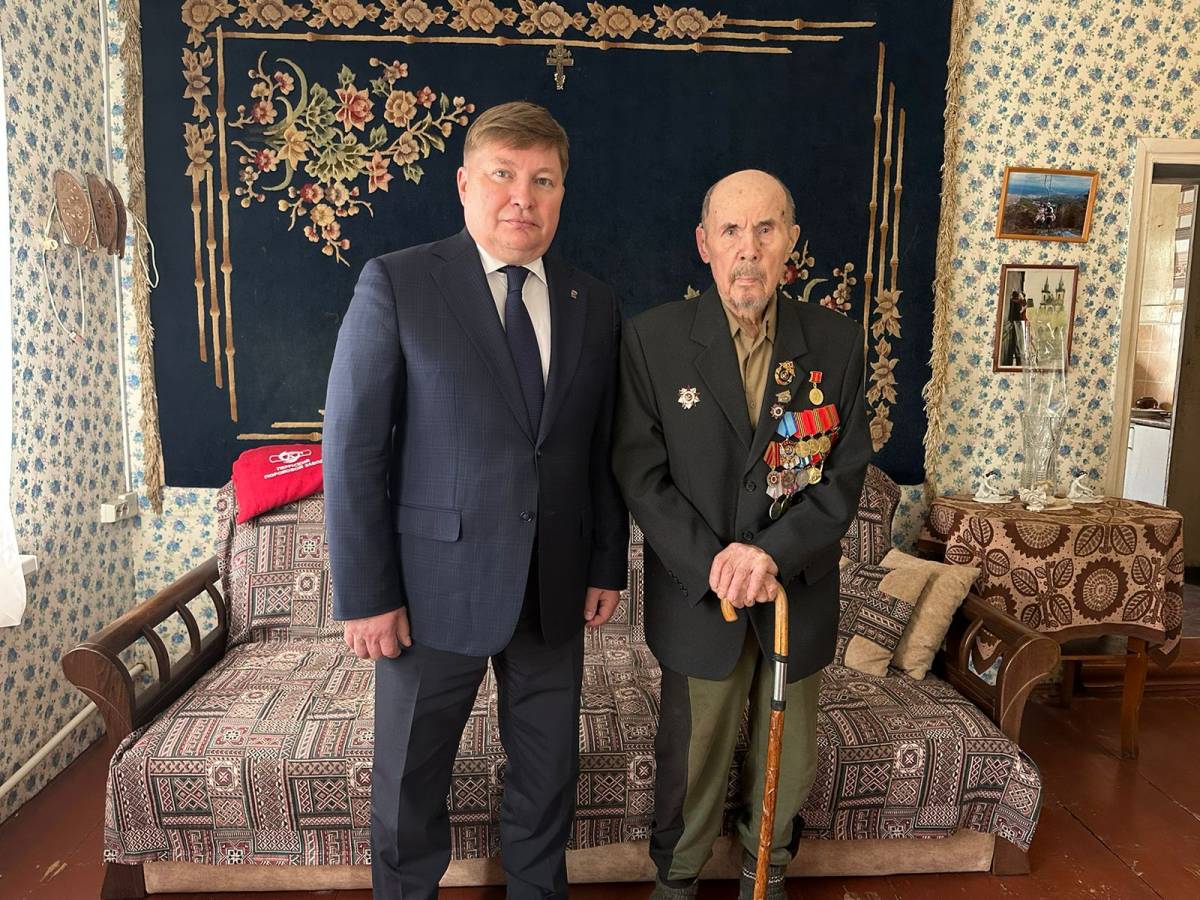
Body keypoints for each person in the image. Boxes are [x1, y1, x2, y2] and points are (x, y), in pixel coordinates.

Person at [323, 101, 628, 900]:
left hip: (553, 590)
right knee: (408, 788)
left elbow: (600, 447)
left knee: (547, 781)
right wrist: (367, 595)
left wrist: (606, 564)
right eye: (503, 175)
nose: (522, 197)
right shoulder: (397, 282)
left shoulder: (593, 302)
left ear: (561, 194)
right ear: (465, 184)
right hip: (430, 595)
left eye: (543, 180)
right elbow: (352, 450)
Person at [613, 169, 871, 899]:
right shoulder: (654, 340)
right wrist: (719, 563)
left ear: (791, 241)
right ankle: (678, 880)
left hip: (796, 591)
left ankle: (768, 869)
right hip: (701, 596)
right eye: (731, 230)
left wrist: (769, 554)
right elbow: (640, 473)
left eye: (765, 228)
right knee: (693, 752)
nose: (748, 248)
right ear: (705, 244)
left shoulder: (836, 342)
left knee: (789, 753)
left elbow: (842, 477)